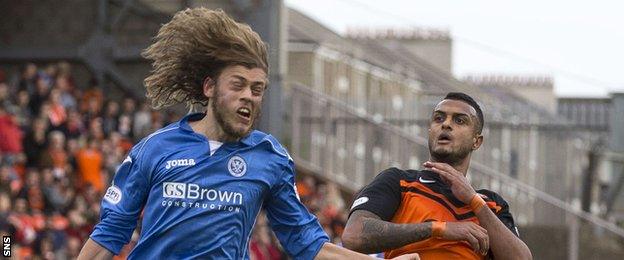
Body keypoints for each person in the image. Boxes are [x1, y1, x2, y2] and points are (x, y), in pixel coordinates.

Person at [77, 8, 418, 260]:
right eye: (238, 85)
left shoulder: (269, 158)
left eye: (257, 89)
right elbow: (109, 234)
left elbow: (308, 244)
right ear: (209, 87)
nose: (249, 96)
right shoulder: (155, 148)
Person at [342, 93, 532, 259]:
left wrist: (473, 201)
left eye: (459, 120)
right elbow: (353, 236)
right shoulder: (398, 182)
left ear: (477, 141)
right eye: (439, 118)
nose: (446, 124)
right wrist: (439, 229)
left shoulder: (491, 204)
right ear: (430, 130)